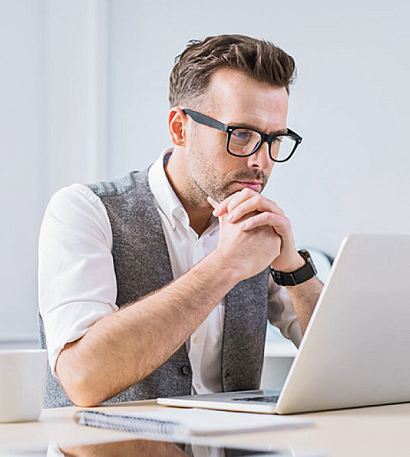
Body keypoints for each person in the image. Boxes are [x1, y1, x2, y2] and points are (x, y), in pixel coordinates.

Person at [38, 34, 323, 408]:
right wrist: (225, 266)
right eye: (241, 135)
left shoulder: (256, 227)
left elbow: (351, 362)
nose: (260, 161)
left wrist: (294, 269)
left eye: (274, 139)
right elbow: (83, 378)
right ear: (179, 128)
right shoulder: (83, 210)